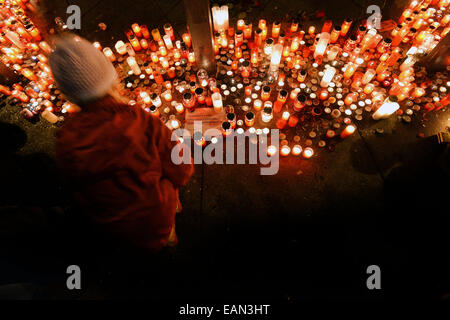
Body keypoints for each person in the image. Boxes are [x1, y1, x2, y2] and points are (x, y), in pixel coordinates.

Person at [49, 36, 193, 252]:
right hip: (154, 216)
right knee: (163, 216)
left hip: (111, 229)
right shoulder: (136, 120)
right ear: (110, 77)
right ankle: (168, 239)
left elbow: (79, 192)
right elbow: (180, 167)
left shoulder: (65, 141)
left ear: (68, 94)